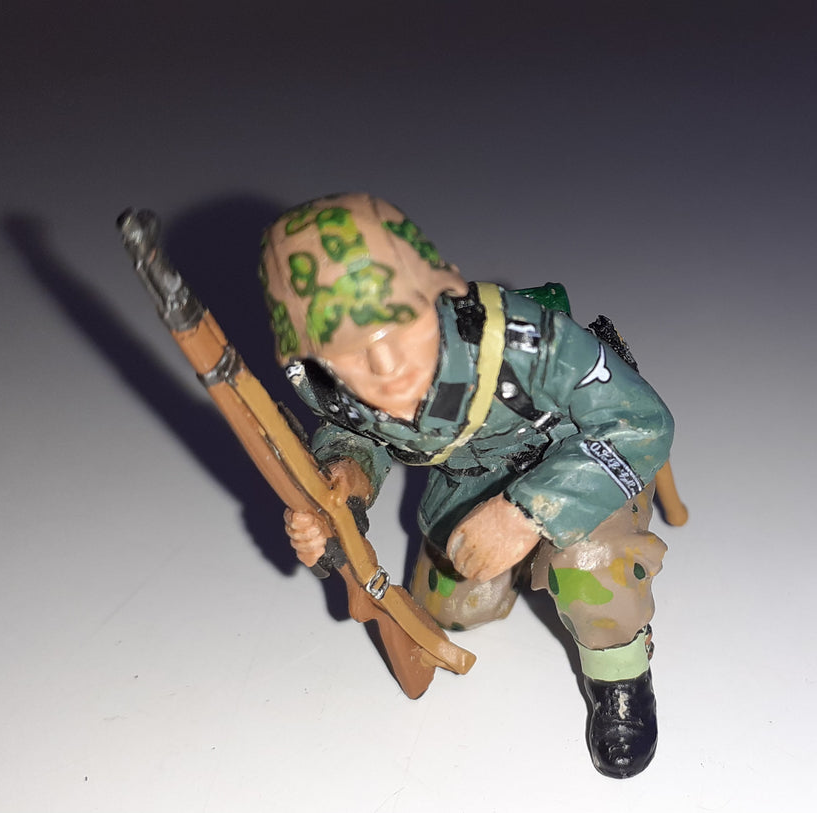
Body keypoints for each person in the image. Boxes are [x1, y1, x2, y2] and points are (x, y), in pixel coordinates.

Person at [259, 193, 674, 778]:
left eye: (403, 329)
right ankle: (533, 568)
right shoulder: (329, 385)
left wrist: (524, 514)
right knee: (450, 611)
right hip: (470, 488)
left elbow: (641, 423)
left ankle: (620, 676)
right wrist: (341, 484)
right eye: (352, 355)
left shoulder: (525, 344)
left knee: (590, 568)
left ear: (439, 293)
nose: (387, 370)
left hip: (582, 462)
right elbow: (356, 433)